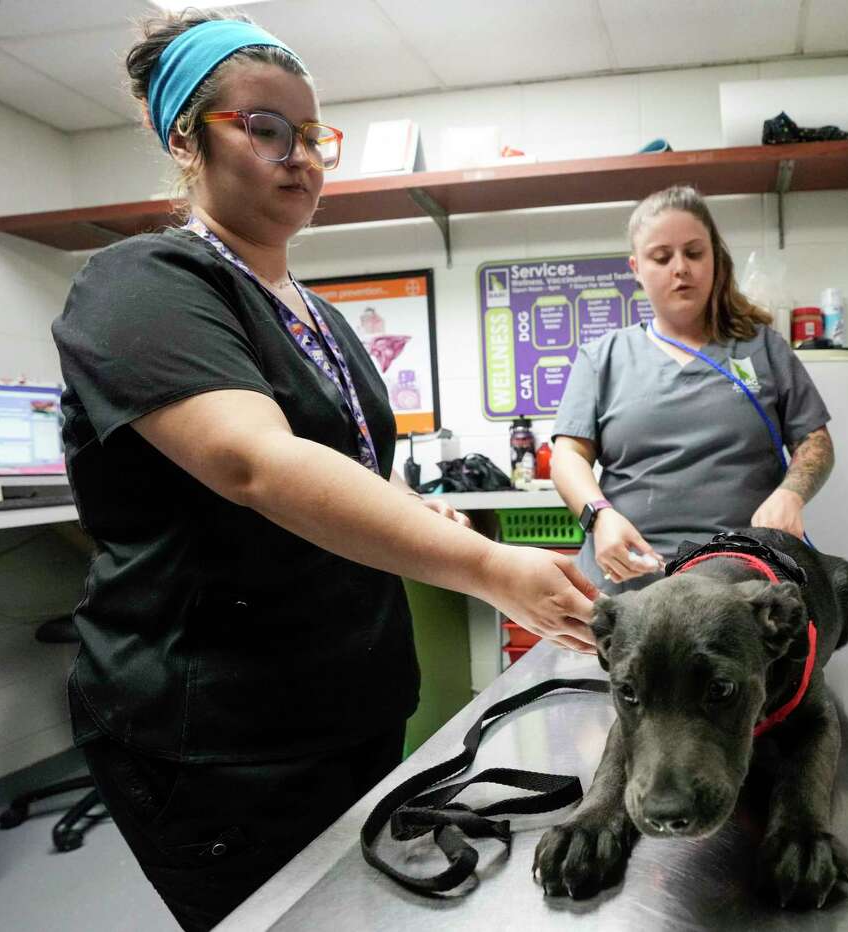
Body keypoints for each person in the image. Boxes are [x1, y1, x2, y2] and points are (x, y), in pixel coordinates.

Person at [50, 11, 594, 931]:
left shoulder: (318, 316)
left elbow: (344, 468)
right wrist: (497, 569)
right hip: (220, 736)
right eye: (265, 129)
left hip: (350, 701)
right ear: (188, 139)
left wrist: (420, 512)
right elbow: (254, 463)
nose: (299, 155)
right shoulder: (140, 284)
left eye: (311, 135)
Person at [551, 185, 834, 592]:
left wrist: (791, 493)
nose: (680, 268)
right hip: (630, 581)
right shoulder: (603, 357)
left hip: (745, 582)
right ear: (636, 267)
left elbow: (815, 441)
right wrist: (598, 516)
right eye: (661, 257)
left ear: (715, 260)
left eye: (694, 253)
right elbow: (568, 455)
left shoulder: (763, 347)